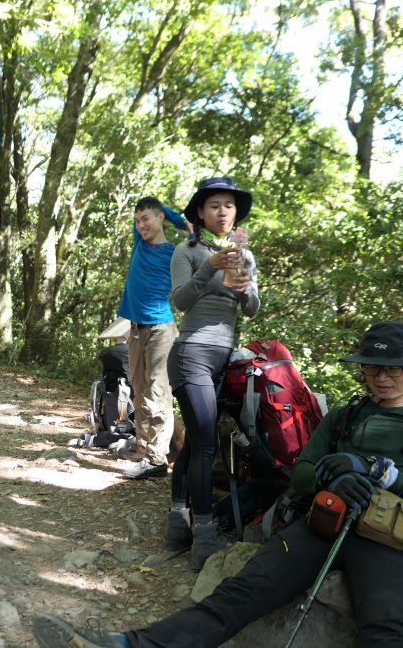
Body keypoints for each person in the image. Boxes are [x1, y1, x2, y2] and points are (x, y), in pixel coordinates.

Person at [33, 321, 403, 648]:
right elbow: (300, 472)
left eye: (394, 368)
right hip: (323, 521)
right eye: (373, 368)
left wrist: (382, 474)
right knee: (240, 594)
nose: (381, 377)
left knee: (390, 632)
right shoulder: (343, 418)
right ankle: (130, 644)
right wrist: (336, 475)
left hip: (390, 540)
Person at [164, 176, 259, 570]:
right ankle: (203, 534)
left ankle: (177, 519)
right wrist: (211, 269)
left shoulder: (245, 256)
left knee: (198, 441)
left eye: (229, 206)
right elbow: (180, 300)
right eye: (215, 205)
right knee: (206, 444)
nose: (223, 211)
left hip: (224, 359)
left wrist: (241, 289)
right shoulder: (186, 251)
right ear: (200, 212)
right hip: (191, 354)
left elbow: (252, 308)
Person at [116, 196, 193, 479]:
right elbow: (145, 219)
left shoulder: (175, 252)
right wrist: (169, 216)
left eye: (146, 218)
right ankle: (147, 451)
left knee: (156, 393)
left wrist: (179, 221)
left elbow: (196, 237)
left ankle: (156, 459)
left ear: (160, 217)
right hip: (136, 329)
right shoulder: (140, 243)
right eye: (137, 220)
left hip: (161, 329)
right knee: (138, 392)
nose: (141, 225)